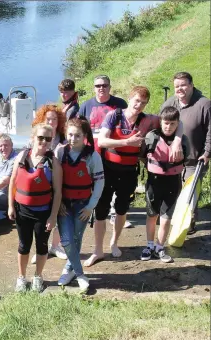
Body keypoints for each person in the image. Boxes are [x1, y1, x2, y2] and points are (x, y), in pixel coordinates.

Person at [87, 86, 183, 267]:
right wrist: (127, 142)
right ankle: (98, 250)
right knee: (101, 211)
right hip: (108, 169)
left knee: (122, 210)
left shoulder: (148, 120)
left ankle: (114, 243)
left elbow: (175, 121)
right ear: (130, 98)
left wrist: (177, 140)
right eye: (136, 101)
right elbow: (103, 140)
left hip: (129, 171)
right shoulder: (114, 116)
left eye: (143, 103)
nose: (139, 105)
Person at [8, 124, 62, 292]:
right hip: (22, 212)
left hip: (43, 213)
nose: (44, 141)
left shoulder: (53, 163)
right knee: (23, 246)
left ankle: (38, 276)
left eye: (48, 139)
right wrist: (10, 206)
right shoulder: (22, 157)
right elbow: (12, 183)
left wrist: (53, 216)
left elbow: (58, 192)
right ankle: (21, 278)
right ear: (33, 138)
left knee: (41, 245)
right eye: (41, 138)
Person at [55, 117, 104, 293]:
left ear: (84, 136)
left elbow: (99, 183)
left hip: (83, 205)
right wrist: (58, 202)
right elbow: (55, 181)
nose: (73, 139)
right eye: (70, 135)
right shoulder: (60, 153)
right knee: (66, 240)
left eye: (77, 135)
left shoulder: (92, 156)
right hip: (64, 204)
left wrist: (91, 206)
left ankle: (68, 269)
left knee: (76, 237)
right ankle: (80, 274)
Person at [77, 74, 133, 229]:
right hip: (92, 152)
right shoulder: (86, 105)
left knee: (114, 183)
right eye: (98, 86)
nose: (101, 88)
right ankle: (92, 211)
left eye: (104, 85)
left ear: (109, 87)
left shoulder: (119, 104)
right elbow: (78, 128)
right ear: (94, 88)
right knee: (93, 182)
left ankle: (116, 214)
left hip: (114, 152)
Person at [161, 71, 211, 234]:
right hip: (172, 159)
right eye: (177, 86)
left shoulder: (204, 104)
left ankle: (188, 223)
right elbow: (161, 126)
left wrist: (208, 153)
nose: (179, 89)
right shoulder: (170, 103)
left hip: (195, 159)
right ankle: (175, 220)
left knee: (189, 194)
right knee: (174, 191)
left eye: (183, 85)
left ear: (191, 85)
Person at [140, 107, 189, 263]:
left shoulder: (182, 140)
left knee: (166, 217)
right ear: (160, 122)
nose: (168, 127)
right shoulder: (151, 137)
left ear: (177, 124)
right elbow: (142, 156)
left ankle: (160, 247)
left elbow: (186, 159)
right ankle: (149, 245)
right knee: (152, 215)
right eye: (165, 123)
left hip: (173, 182)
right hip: (154, 182)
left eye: (172, 124)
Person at [31, 103, 67, 260]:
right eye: (48, 119)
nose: (51, 122)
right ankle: (39, 250)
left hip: (60, 179)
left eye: (54, 119)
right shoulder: (37, 136)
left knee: (59, 213)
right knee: (39, 218)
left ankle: (55, 246)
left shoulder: (64, 137)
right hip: (41, 181)